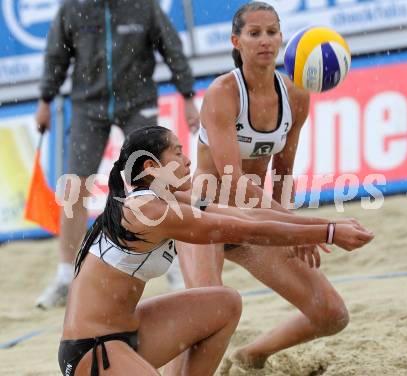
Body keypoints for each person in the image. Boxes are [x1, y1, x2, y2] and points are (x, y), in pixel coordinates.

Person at [59, 125, 373, 376]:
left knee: (225, 304)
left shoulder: (167, 199)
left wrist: (325, 225)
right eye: (178, 153)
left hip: (132, 334)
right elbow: (248, 231)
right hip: (91, 348)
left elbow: (249, 215)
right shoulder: (148, 210)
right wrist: (329, 233)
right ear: (152, 167)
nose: (188, 160)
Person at [175, 1, 373, 370]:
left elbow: (283, 173)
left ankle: (252, 355)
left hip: (252, 217)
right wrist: (298, 228)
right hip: (204, 217)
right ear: (236, 41)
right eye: (254, 33)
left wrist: (290, 227)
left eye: (271, 32)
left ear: (283, 38)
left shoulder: (296, 95)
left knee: (331, 314)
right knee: (203, 317)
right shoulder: (222, 94)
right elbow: (232, 181)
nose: (264, 40)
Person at [34, 0, 199, 308]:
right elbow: (56, 56)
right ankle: (66, 274)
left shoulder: (143, 6)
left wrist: (188, 96)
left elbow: (172, 48)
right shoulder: (73, 8)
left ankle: (175, 265)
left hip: (137, 102)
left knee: (157, 183)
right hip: (88, 106)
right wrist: (45, 100)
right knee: (73, 187)